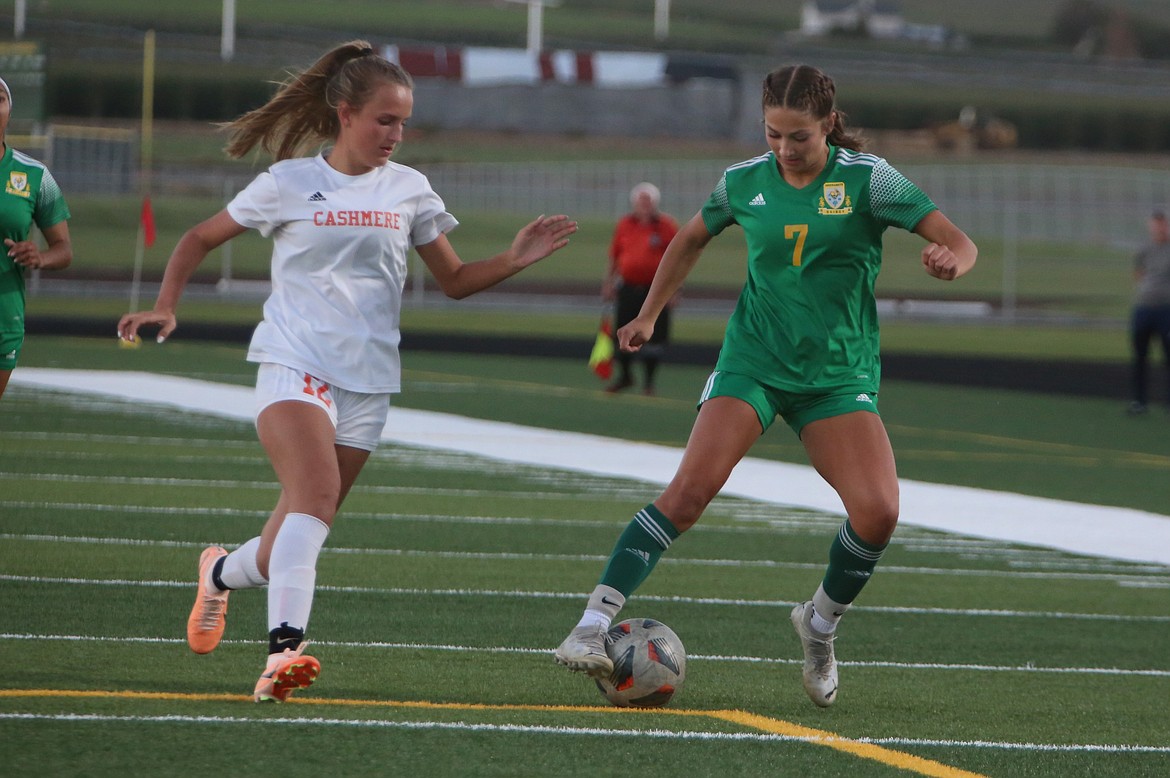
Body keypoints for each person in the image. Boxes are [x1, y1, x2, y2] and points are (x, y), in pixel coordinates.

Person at [117, 41, 577, 703]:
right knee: (315, 500)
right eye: (383, 120)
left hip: (369, 383)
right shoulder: (289, 182)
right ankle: (283, 656)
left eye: (403, 123)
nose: (395, 134)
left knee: (293, 535)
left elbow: (453, 281)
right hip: (294, 363)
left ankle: (219, 573)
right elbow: (197, 239)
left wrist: (513, 257)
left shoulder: (411, 189)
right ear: (344, 113)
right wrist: (165, 306)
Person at [554, 64, 977, 708]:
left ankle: (819, 624)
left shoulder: (870, 181)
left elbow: (959, 240)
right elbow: (691, 238)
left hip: (836, 378)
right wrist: (646, 315)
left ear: (829, 124)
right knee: (689, 492)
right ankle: (589, 627)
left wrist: (952, 260)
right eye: (773, 134)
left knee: (879, 513)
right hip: (752, 362)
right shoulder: (743, 183)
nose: (784, 148)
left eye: (797, 136)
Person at [0, 76, 73, 401]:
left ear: (9, 111)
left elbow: (64, 249)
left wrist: (39, 257)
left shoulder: (35, 176)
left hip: (4, 314)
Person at [602, 182, 678, 395]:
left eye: (648, 200)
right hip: (628, 287)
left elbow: (678, 259)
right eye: (641, 200)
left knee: (655, 334)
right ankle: (625, 376)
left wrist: (675, 290)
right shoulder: (625, 224)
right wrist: (608, 283)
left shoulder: (666, 225)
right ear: (634, 203)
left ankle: (649, 382)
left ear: (655, 202)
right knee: (623, 332)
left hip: (656, 290)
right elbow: (614, 255)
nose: (644, 204)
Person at [1127, 210, 1170, 415]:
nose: (1159, 228)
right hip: (1144, 308)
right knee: (1140, 356)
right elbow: (1138, 272)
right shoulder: (1144, 249)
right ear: (1150, 226)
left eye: (1163, 224)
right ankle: (1139, 401)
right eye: (1156, 224)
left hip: (1166, 309)